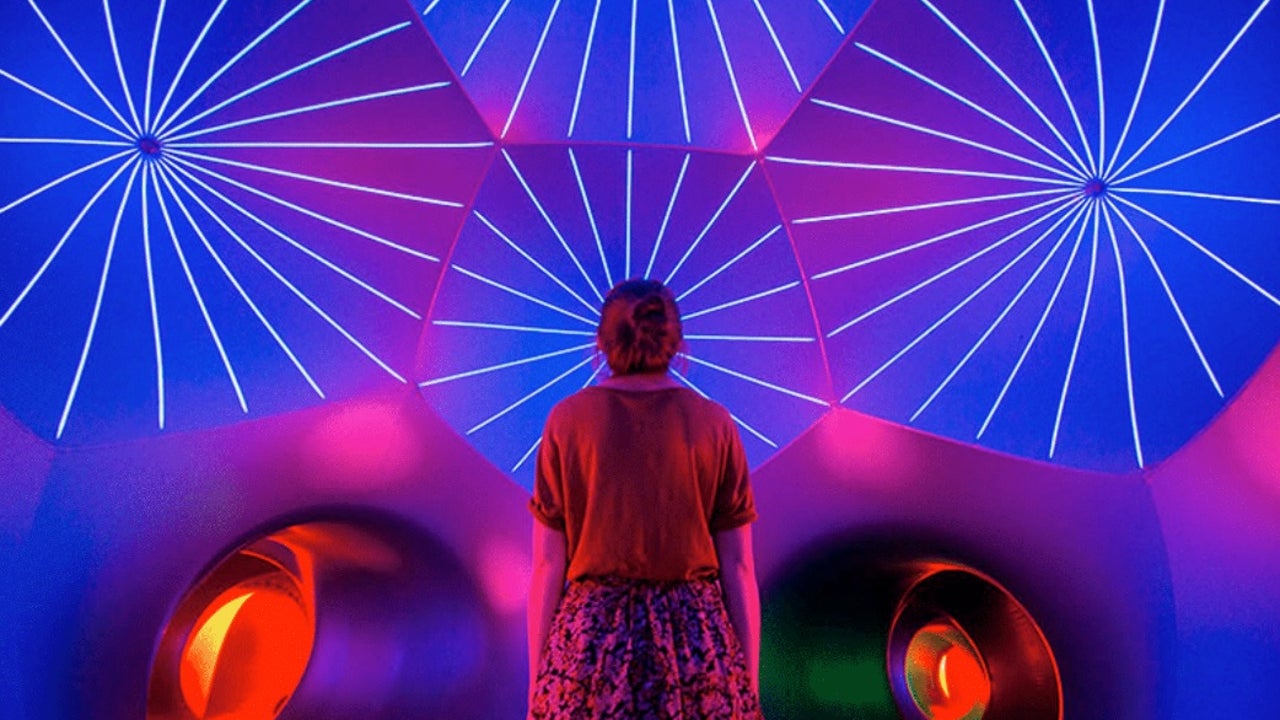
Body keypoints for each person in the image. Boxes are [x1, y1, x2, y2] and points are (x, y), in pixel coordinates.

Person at [527, 278, 763, 719]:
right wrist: (747, 687)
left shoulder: (566, 420)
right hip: (695, 641)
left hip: (590, 643)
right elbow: (738, 566)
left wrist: (537, 685)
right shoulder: (715, 422)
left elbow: (547, 565)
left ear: (601, 343)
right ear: (677, 343)